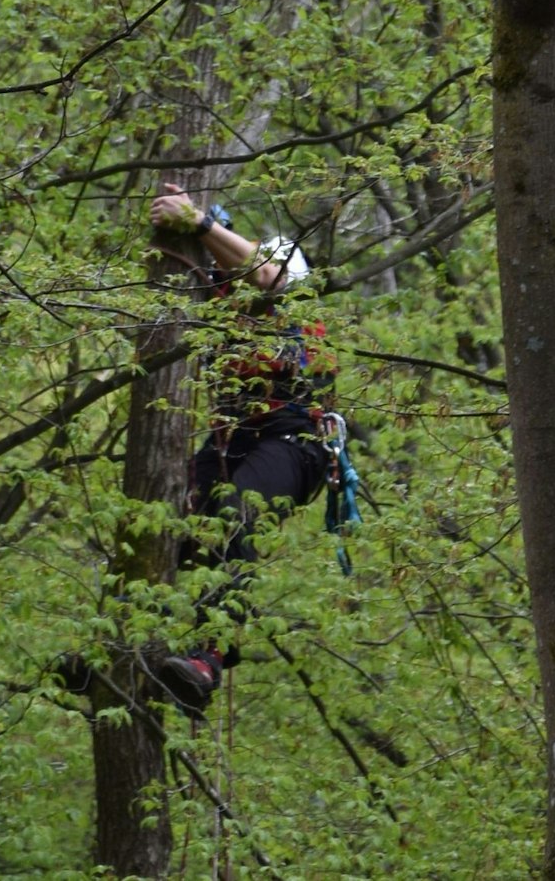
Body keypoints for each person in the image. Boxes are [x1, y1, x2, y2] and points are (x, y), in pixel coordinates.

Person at [145, 183, 332, 715]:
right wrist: (191, 226)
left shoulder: (296, 307)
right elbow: (231, 271)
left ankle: (210, 654)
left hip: (294, 442)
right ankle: (125, 646)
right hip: (234, 439)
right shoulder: (233, 309)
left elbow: (264, 273)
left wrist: (201, 221)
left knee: (235, 514)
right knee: (163, 519)